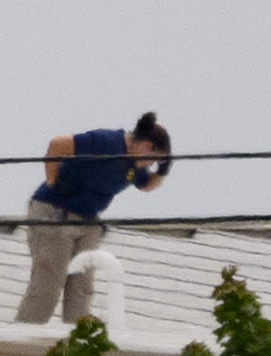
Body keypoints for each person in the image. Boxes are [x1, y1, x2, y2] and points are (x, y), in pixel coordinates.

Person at [15, 113, 171, 323]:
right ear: (145, 145)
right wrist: (53, 180)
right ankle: (25, 338)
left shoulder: (134, 165)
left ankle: (77, 343)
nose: (150, 165)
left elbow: (146, 185)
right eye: (154, 158)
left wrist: (163, 171)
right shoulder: (106, 142)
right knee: (49, 283)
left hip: (87, 221)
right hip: (56, 211)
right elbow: (57, 144)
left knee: (82, 287)